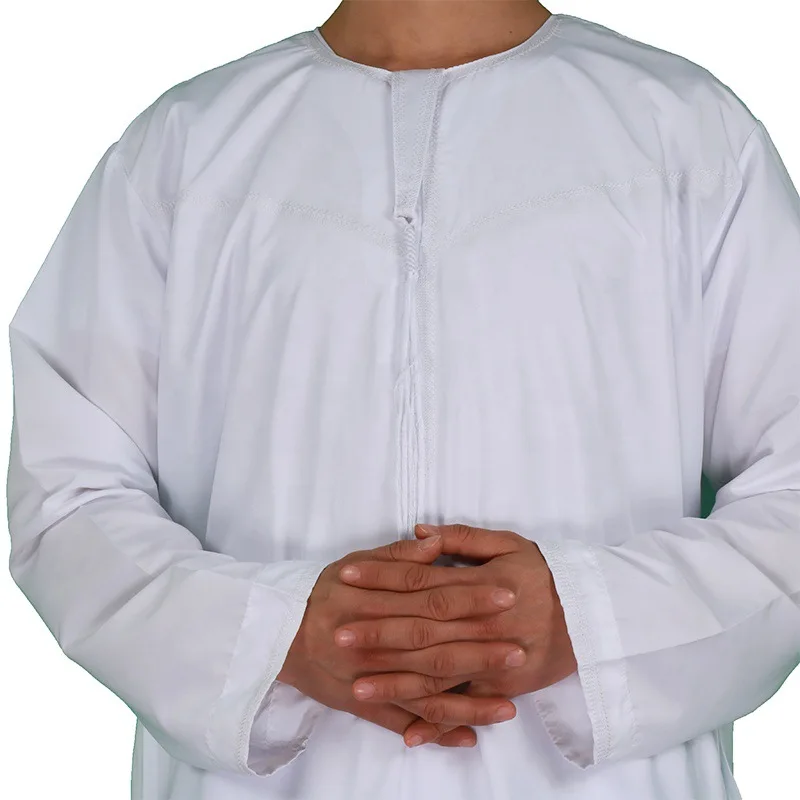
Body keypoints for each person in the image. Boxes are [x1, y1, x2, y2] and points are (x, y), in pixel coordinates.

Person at [6, 1, 800, 798]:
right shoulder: (183, 151)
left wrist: (589, 620)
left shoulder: (688, 135)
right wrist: (275, 638)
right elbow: (67, 497)